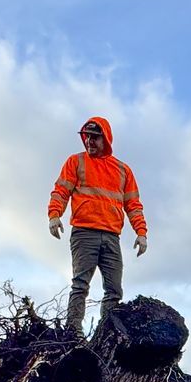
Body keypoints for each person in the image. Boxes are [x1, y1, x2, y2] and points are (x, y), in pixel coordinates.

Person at [47, 116, 146, 334]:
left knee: (114, 290)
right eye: (87, 137)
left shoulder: (122, 170)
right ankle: (73, 333)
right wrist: (54, 215)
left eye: (95, 137)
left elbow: (133, 204)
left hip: (112, 236)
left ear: (106, 139)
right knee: (80, 285)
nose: (90, 141)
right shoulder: (76, 161)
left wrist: (141, 232)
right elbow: (61, 191)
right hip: (84, 233)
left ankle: (107, 335)